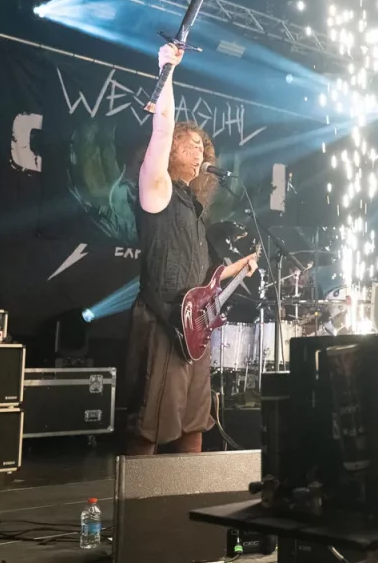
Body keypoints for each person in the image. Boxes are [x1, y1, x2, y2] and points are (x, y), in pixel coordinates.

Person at [124, 44, 258, 455]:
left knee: (194, 424)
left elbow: (205, 278)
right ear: (171, 151)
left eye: (202, 145)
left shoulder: (195, 207)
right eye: (190, 143)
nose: (199, 149)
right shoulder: (157, 188)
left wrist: (239, 267)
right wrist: (167, 69)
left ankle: (188, 494)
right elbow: (162, 127)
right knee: (150, 426)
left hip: (194, 328)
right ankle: (137, 494)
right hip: (164, 320)